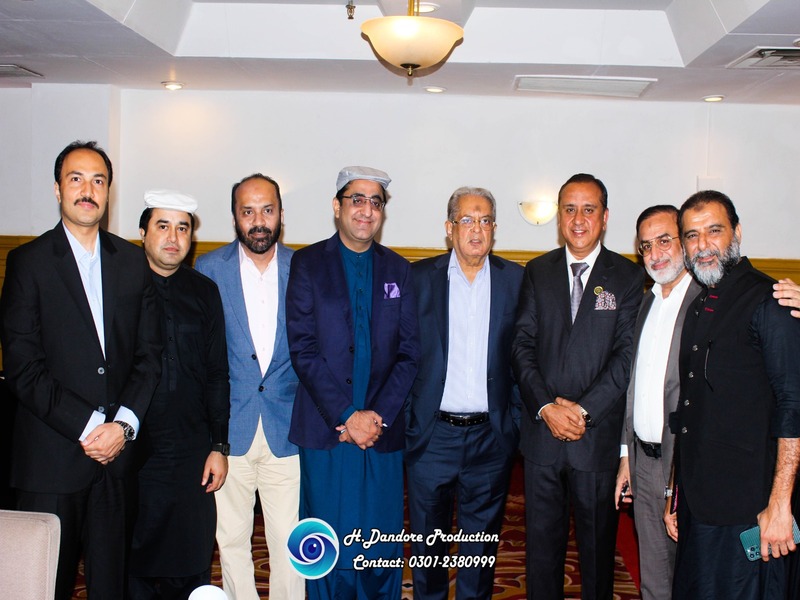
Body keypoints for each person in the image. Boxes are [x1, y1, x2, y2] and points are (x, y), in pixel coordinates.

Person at [0, 140, 161, 599]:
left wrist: (122, 427)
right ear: (58, 189)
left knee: (112, 587)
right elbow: (23, 367)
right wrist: (93, 428)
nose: (87, 190)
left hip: (118, 462)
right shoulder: (28, 262)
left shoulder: (133, 262)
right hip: (51, 462)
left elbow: (150, 355)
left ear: (108, 191)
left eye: (98, 181)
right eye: (76, 179)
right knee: (40, 586)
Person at [286, 166, 420, 600]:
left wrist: (375, 417)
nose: (366, 210)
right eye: (357, 199)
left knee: (379, 547)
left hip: (381, 432)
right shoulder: (307, 263)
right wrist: (347, 416)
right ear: (336, 206)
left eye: (375, 202)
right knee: (325, 545)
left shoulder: (399, 269)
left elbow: (409, 354)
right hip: (328, 430)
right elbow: (303, 349)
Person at [511, 173, 644, 600]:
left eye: (589, 209)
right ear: (559, 217)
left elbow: (626, 357)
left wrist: (582, 412)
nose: (578, 219)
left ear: (605, 217)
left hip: (596, 439)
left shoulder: (628, 276)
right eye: (570, 209)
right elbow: (521, 346)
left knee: (598, 557)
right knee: (541, 557)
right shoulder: (538, 271)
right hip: (543, 437)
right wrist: (546, 407)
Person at [669, 190, 800, 600]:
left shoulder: (771, 301)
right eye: (692, 235)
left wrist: (780, 504)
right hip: (699, 504)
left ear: (737, 233)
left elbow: (793, 406)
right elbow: (689, 409)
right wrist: (675, 493)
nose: (703, 245)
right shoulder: (699, 305)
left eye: (714, 231)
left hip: (749, 508)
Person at [406, 186, 523, 599]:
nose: (477, 229)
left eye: (485, 220)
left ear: (495, 229)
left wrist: (514, 422)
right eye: (468, 220)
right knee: (427, 547)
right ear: (449, 227)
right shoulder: (419, 278)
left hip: (490, 438)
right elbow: (401, 354)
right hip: (432, 436)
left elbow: (525, 357)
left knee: (480, 550)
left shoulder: (516, 281)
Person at [195, 174, 303, 600]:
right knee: (232, 541)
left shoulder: (304, 269)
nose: (259, 221)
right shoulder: (208, 269)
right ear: (235, 218)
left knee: (292, 544)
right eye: (248, 211)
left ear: (281, 214)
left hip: (287, 429)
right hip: (229, 430)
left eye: (267, 210)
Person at [128, 190, 231, 598]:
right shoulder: (120, 287)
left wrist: (219, 445)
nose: (173, 237)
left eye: (183, 228)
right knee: (132, 561)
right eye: (163, 226)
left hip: (192, 451)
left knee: (190, 560)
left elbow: (217, 373)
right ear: (143, 233)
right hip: (134, 451)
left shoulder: (205, 292)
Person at [614, 205, 701, 600]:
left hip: (684, 465)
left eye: (664, 240)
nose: (655, 253)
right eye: (646, 245)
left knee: (691, 575)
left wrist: (679, 483)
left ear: (684, 240)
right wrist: (626, 457)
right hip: (643, 462)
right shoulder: (645, 302)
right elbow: (634, 387)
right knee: (653, 577)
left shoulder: (704, 301)